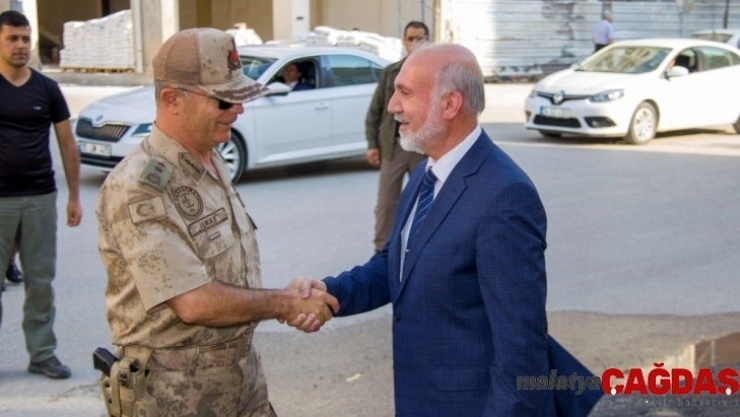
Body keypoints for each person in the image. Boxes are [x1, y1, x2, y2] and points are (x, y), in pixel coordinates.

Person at [293, 44, 602, 416]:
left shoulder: (505, 196)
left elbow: (521, 349)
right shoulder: (426, 172)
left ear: (450, 104)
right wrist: (332, 294)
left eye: (405, 92)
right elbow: (396, 265)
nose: (392, 105)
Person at [95, 27, 338, 417]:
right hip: (176, 394)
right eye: (224, 101)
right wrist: (286, 302)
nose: (238, 111)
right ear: (172, 99)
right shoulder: (139, 186)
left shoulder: (210, 158)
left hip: (241, 377)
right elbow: (192, 302)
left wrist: (287, 297)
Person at [0, 10, 81, 379]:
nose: (21, 45)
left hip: (40, 198)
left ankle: (42, 354)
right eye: (12, 38)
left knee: (40, 283)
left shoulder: (47, 89)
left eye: (25, 38)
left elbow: (67, 144)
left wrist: (74, 197)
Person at [366, 21, 429, 253]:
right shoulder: (390, 73)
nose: (415, 43)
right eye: (411, 38)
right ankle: (381, 252)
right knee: (386, 203)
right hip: (393, 146)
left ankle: (418, 250)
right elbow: (375, 110)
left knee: (424, 201)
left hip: (421, 147)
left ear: (427, 40)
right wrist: (372, 144)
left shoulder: (434, 74)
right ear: (404, 41)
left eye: (420, 38)